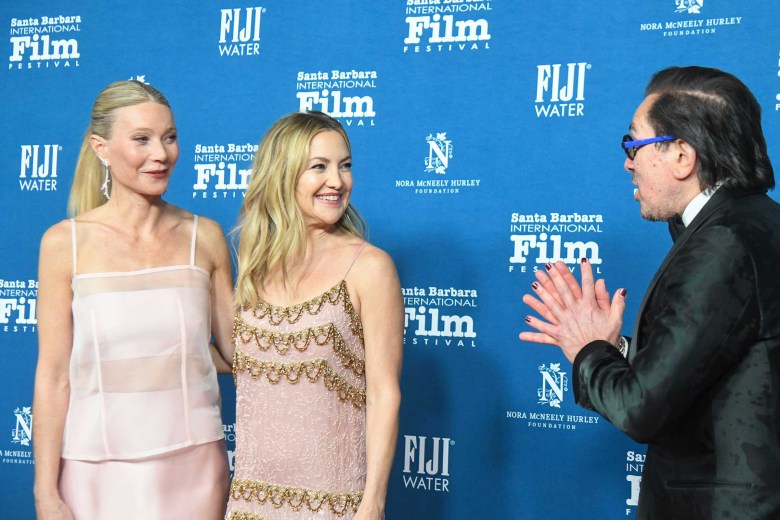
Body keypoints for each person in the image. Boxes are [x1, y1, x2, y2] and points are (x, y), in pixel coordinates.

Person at [520, 66, 780, 519]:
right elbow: (712, 367)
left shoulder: (721, 243)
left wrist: (589, 350)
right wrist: (617, 348)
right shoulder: (758, 223)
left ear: (682, 155)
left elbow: (641, 409)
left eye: (633, 144)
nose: (627, 162)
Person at [32, 80, 234, 520]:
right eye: (141, 139)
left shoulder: (206, 237)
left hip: (195, 465)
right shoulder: (63, 245)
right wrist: (46, 492)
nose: (161, 154)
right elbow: (52, 378)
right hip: (96, 470)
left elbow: (239, 354)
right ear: (100, 147)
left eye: (170, 137)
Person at [226, 111, 403, 520]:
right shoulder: (256, 263)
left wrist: (372, 504)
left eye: (344, 166)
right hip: (250, 503)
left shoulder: (370, 267)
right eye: (318, 167)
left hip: (333, 504)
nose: (337, 181)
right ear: (282, 174)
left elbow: (384, 394)